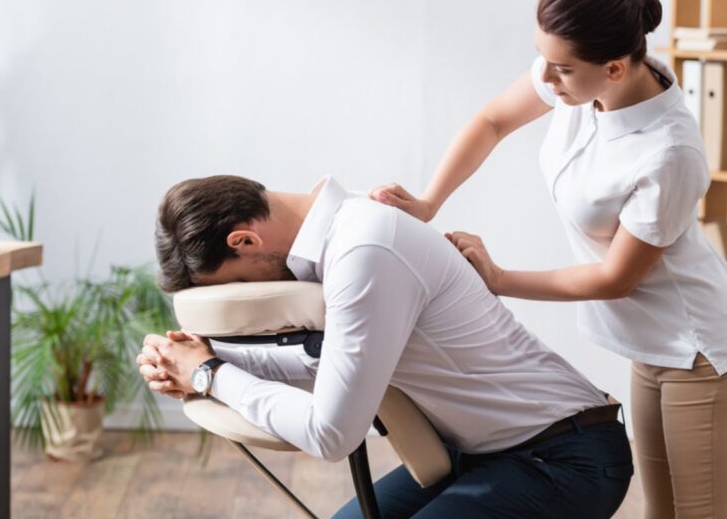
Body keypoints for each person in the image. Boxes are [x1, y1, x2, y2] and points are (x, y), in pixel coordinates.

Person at [370, 0, 727, 519]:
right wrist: (430, 201)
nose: (546, 79)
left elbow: (615, 278)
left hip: (705, 352)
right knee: (661, 512)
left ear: (613, 67)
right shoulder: (583, 80)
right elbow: (491, 120)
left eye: (561, 70)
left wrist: (501, 279)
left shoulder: (669, 152)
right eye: (544, 59)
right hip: (652, 344)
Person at [138, 175, 632, 518]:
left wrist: (210, 376)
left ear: (243, 241)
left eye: (237, 281)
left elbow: (331, 434)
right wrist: (200, 357)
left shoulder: (364, 250)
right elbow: (326, 361)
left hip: (566, 457)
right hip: (479, 451)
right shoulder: (345, 237)